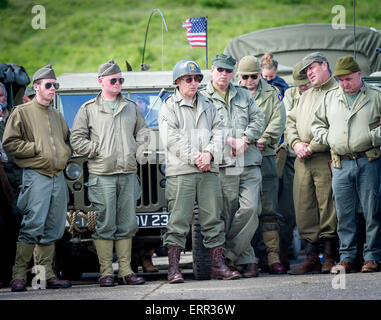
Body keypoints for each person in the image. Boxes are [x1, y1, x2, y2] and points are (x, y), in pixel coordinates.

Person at [159, 59, 240, 283]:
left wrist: (210, 154)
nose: (193, 83)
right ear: (177, 82)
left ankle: (218, 264)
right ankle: (173, 269)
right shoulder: (169, 106)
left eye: (197, 79)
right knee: (178, 220)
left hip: (208, 169)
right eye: (188, 79)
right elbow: (170, 138)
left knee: (213, 218)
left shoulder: (208, 103)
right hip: (182, 171)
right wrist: (197, 157)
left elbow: (220, 130)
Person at [70, 60, 148, 287]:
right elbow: (77, 138)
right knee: (104, 224)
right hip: (102, 174)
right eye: (113, 80)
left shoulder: (131, 107)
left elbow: (142, 130)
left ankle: (126, 271)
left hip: (127, 173)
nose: (118, 84)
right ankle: (106, 273)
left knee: (127, 224)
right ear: (101, 81)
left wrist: (139, 148)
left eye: (120, 80)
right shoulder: (88, 109)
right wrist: (96, 150)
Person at [2, 64, 72, 292]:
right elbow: (10, 143)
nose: (53, 89)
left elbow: (66, 141)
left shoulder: (57, 115)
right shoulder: (21, 112)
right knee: (32, 226)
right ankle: (18, 276)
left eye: (55, 85)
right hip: (37, 176)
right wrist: (35, 148)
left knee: (53, 229)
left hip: (57, 177)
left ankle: (46, 276)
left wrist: (64, 153)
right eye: (49, 85)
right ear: (37, 87)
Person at [312, 56, 381, 273]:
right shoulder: (331, 97)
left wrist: (372, 137)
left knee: (372, 211)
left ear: (359, 74)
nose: (344, 84)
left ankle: (372, 257)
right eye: (340, 80)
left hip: (368, 160)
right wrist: (329, 138)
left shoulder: (375, 96)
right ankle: (347, 257)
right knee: (344, 214)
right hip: (340, 164)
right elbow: (317, 125)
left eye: (348, 79)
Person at [200, 54, 265, 278]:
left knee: (250, 209)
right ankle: (245, 258)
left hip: (248, 161)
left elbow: (259, 120)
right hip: (224, 163)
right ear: (212, 70)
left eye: (228, 71)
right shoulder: (202, 97)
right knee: (227, 213)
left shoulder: (243, 94)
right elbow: (202, 127)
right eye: (220, 70)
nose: (224, 74)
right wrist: (229, 140)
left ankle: (227, 257)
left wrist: (245, 139)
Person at [286, 52, 339, 275]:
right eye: (306, 70)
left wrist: (313, 146)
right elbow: (291, 122)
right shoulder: (305, 96)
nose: (309, 73)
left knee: (328, 205)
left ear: (325, 65)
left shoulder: (336, 92)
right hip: (301, 159)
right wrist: (296, 143)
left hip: (324, 156)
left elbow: (336, 124)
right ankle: (310, 257)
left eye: (312, 68)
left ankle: (329, 255)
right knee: (304, 206)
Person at [237, 55, 287, 274]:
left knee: (269, 208)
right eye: (245, 76)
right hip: (240, 157)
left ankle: (273, 256)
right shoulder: (232, 93)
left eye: (254, 76)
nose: (250, 80)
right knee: (244, 210)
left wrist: (263, 139)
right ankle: (245, 258)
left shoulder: (271, 94)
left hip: (265, 154)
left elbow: (279, 119)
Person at [277, 61, 311, 269]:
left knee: (316, 209)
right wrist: (298, 144)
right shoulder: (290, 95)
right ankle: (283, 252)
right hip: (292, 157)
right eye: (299, 84)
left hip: (316, 153)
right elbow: (287, 121)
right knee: (288, 209)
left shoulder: (324, 93)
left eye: (305, 83)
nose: (302, 88)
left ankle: (315, 254)